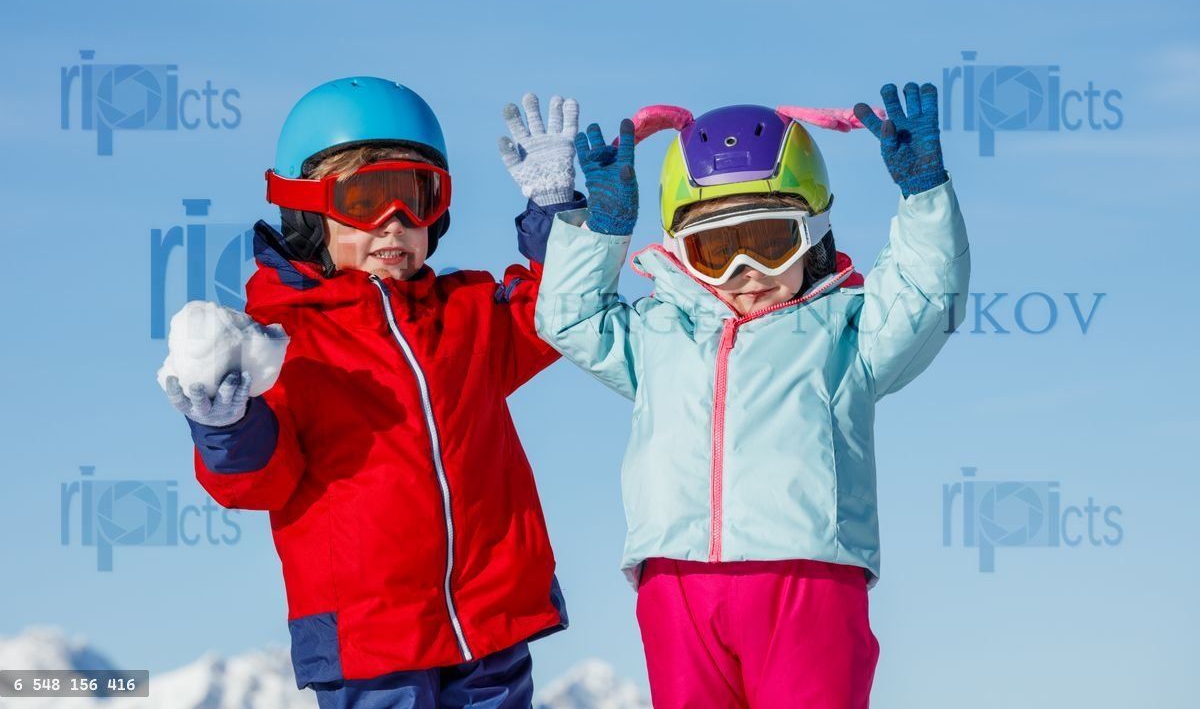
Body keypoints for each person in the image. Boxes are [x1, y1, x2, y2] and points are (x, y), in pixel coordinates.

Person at [534, 83, 970, 708]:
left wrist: (924, 195)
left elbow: (926, 295)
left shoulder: (846, 330)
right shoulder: (659, 332)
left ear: (813, 234)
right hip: (676, 582)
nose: (745, 272)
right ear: (682, 254)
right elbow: (569, 320)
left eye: (770, 243)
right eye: (714, 250)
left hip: (806, 575)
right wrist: (602, 231)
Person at [161, 79, 585, 708]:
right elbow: (258, 483)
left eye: (417, 196)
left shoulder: (468, 314)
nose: (395, 222)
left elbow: (559, 312)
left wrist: (556, 213)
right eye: (365, 199)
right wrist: (227, 425)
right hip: (369, 644)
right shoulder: (279, 343)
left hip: (491, 624)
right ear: (306, 211)